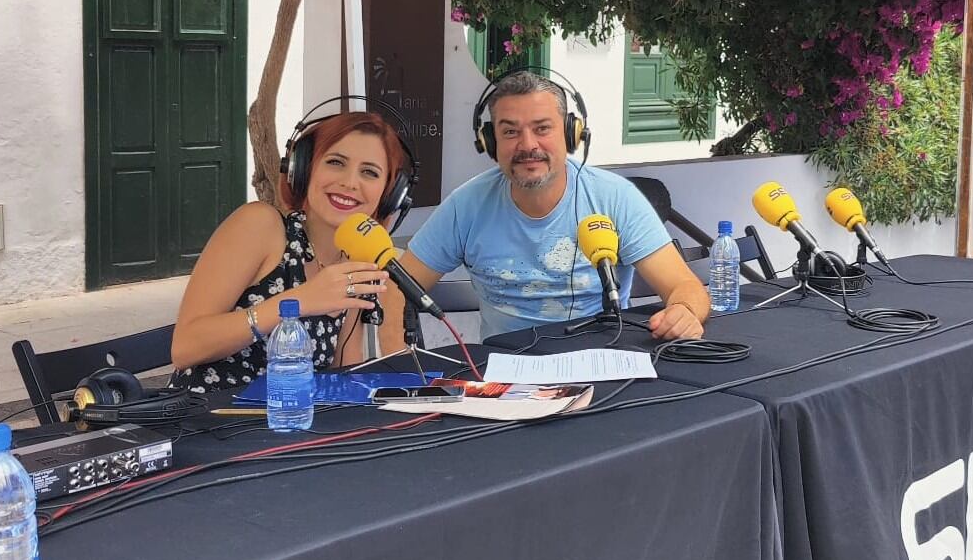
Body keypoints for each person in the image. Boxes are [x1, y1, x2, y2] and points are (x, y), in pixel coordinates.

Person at [401, 71, 710, 341]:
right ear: (490, 142)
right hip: (506, 380)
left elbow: (685, 286)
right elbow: (397, 290)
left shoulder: (615, 197)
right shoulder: (465, 206)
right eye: (510, 132)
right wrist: (399, 375)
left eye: (542, 128)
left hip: (604, 363)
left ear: (571, 134)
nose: (527, 145)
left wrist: (683, 312)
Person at [170, 112, 410, 392]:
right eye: (335, 162)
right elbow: (185, 347)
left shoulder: (355, 260)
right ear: (304, 169)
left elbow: (344, 372)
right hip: (207, 421)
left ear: (390, 194)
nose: (350, 182)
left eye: (369, 172)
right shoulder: (260, 226)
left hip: (293, 426)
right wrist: (301, 300)